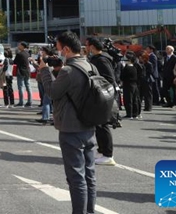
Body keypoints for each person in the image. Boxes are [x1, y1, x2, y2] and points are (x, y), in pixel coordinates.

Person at [38, 31, 97, 214]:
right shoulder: (89, 66)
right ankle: (90, 211)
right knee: (89, 175)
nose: (58, 52)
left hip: (71, 127)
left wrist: (44, 71)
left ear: (66, 48)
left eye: (59, 49)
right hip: (89, 125)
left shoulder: (68, 71)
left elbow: (52, 92)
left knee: (76, 177)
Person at [85, 37, 117, 166]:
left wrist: (95, 83)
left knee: (103, 125)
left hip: (103, 95)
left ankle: (108, 154)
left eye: (87, 45)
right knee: (98, 125)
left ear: (92, 47)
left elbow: (109, 78)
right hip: (98, 95)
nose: (85, 48)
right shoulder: (97, 59)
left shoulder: (102, 60)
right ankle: (102, 150)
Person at [14, 41, 33, 107]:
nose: (18, 46)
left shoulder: (19, 54)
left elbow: (15, 62)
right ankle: (30, 101)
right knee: (28, 86)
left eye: (19, 45)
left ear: (22, 46)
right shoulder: (27, 53)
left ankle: (21, 101)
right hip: (27, 71)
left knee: (21, 87)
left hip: (21, 71)